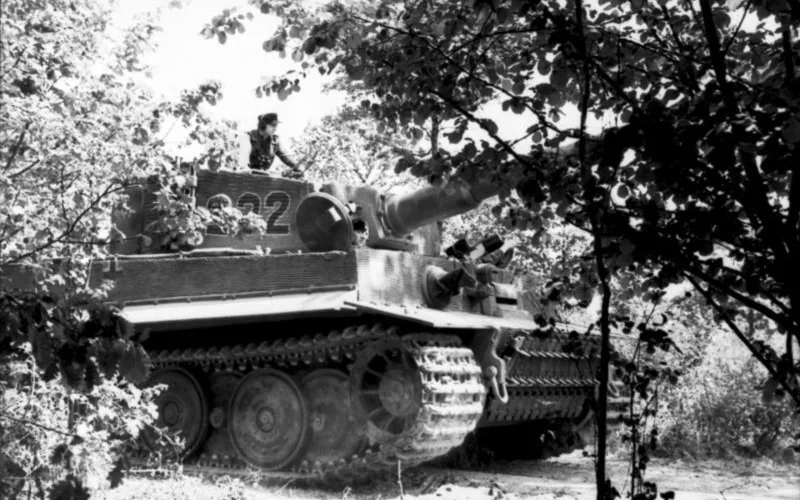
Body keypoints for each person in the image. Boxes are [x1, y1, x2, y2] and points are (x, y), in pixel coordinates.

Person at [248, 112, 303, 177]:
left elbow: (285, 158)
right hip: (247, 175)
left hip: (263, 177)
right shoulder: (249, 138)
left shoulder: (274, 142)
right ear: (263, 124)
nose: (275, 128)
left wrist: (299, 169)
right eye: (273, 125)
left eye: (276, 126)